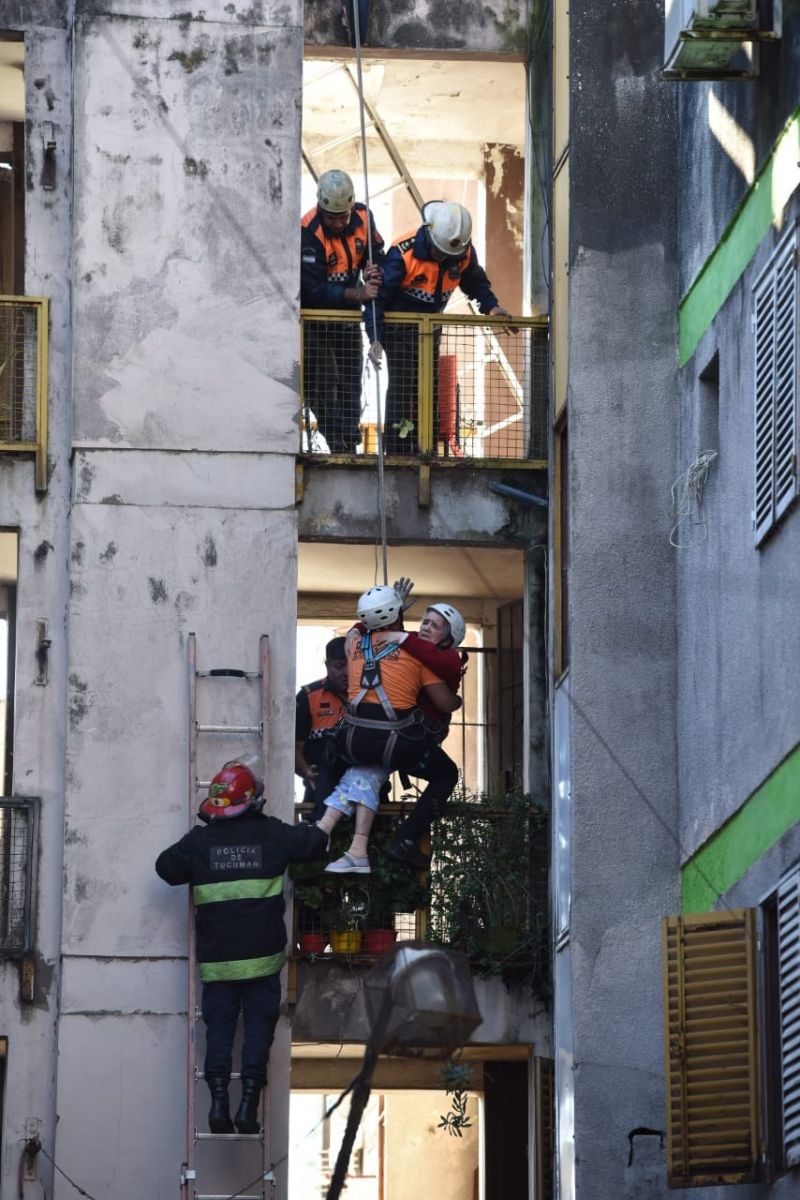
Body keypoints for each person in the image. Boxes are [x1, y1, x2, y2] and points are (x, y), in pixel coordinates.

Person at [155, 761, 326, 1136]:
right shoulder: (272, 834)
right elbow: (315, 844)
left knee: (219, 1029)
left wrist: (198, 852)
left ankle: (219, 1103)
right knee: (258, 1029)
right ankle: (248, 1107)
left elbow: (165, 868)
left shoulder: (200, 843)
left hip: (218, 966)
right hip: (263, 962)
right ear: (253, 801)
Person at [317, 583, 462, 874]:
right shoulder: (418, 657)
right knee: (446, 774)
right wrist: (457, 698)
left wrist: (379, 616)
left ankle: (325, 828)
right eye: (426, 622)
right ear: (398, 615)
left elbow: (370, 630)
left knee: (363, 771)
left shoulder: (355, 644)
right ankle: (404, 839)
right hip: (399, 743)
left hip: (356, 739)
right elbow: (445, 704)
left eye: (435, 626)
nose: (425, 628)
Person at [365, 200, 512, 455]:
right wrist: (375, 337)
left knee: (429, 388)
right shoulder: (403, 253)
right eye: (439, 253)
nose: (443, 258)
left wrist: (492, 307)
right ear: (430, 235)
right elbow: (377, 299)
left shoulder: (462, 252)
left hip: (431, 330)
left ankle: (427, 447)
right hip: (399, 331)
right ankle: (398, 449)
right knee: (402, 385)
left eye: (449, 256)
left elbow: (475, 283)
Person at [301, 169, 385, 453]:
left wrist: (375, 271)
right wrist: (356, 293)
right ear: (321, 208)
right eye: (331, 217)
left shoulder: (363, 217)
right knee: (325, 378)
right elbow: (313, 289)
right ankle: (335, 439)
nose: (338, 223)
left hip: (348, 319)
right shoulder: (309, 232)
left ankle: (350, 437)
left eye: (343, 216)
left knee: (351, 382)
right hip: (319, 321)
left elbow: (376, 253)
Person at [295, 636, 349, 819]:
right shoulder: (308, 696)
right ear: (327, 665)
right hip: (321, 781)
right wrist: (307, 772)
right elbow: (296, 747)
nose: (346, 673)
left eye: (351, 665)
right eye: (339, 666)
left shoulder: (371, 695)